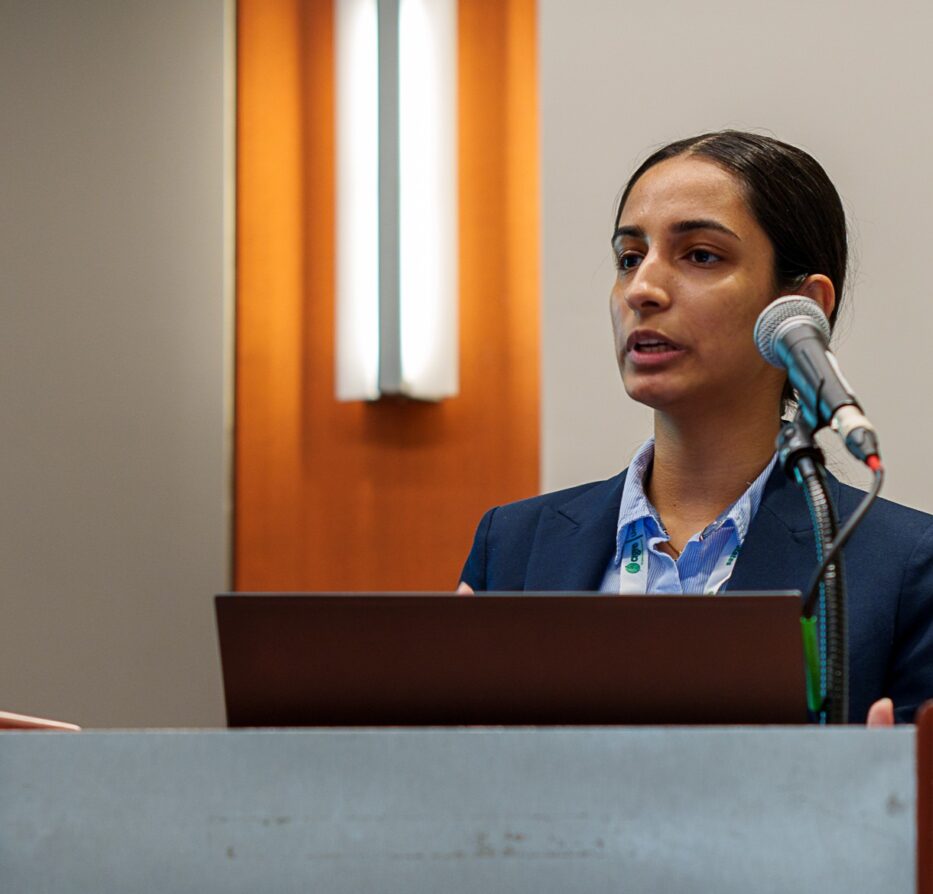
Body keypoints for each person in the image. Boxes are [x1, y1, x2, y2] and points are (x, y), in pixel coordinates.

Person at [458, 130, 933, 725]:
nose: (643, 289)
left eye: (701, 255)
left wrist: (881, 798)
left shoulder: (903, 566)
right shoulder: (515, 546)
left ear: (801, 306)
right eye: (630, 258)